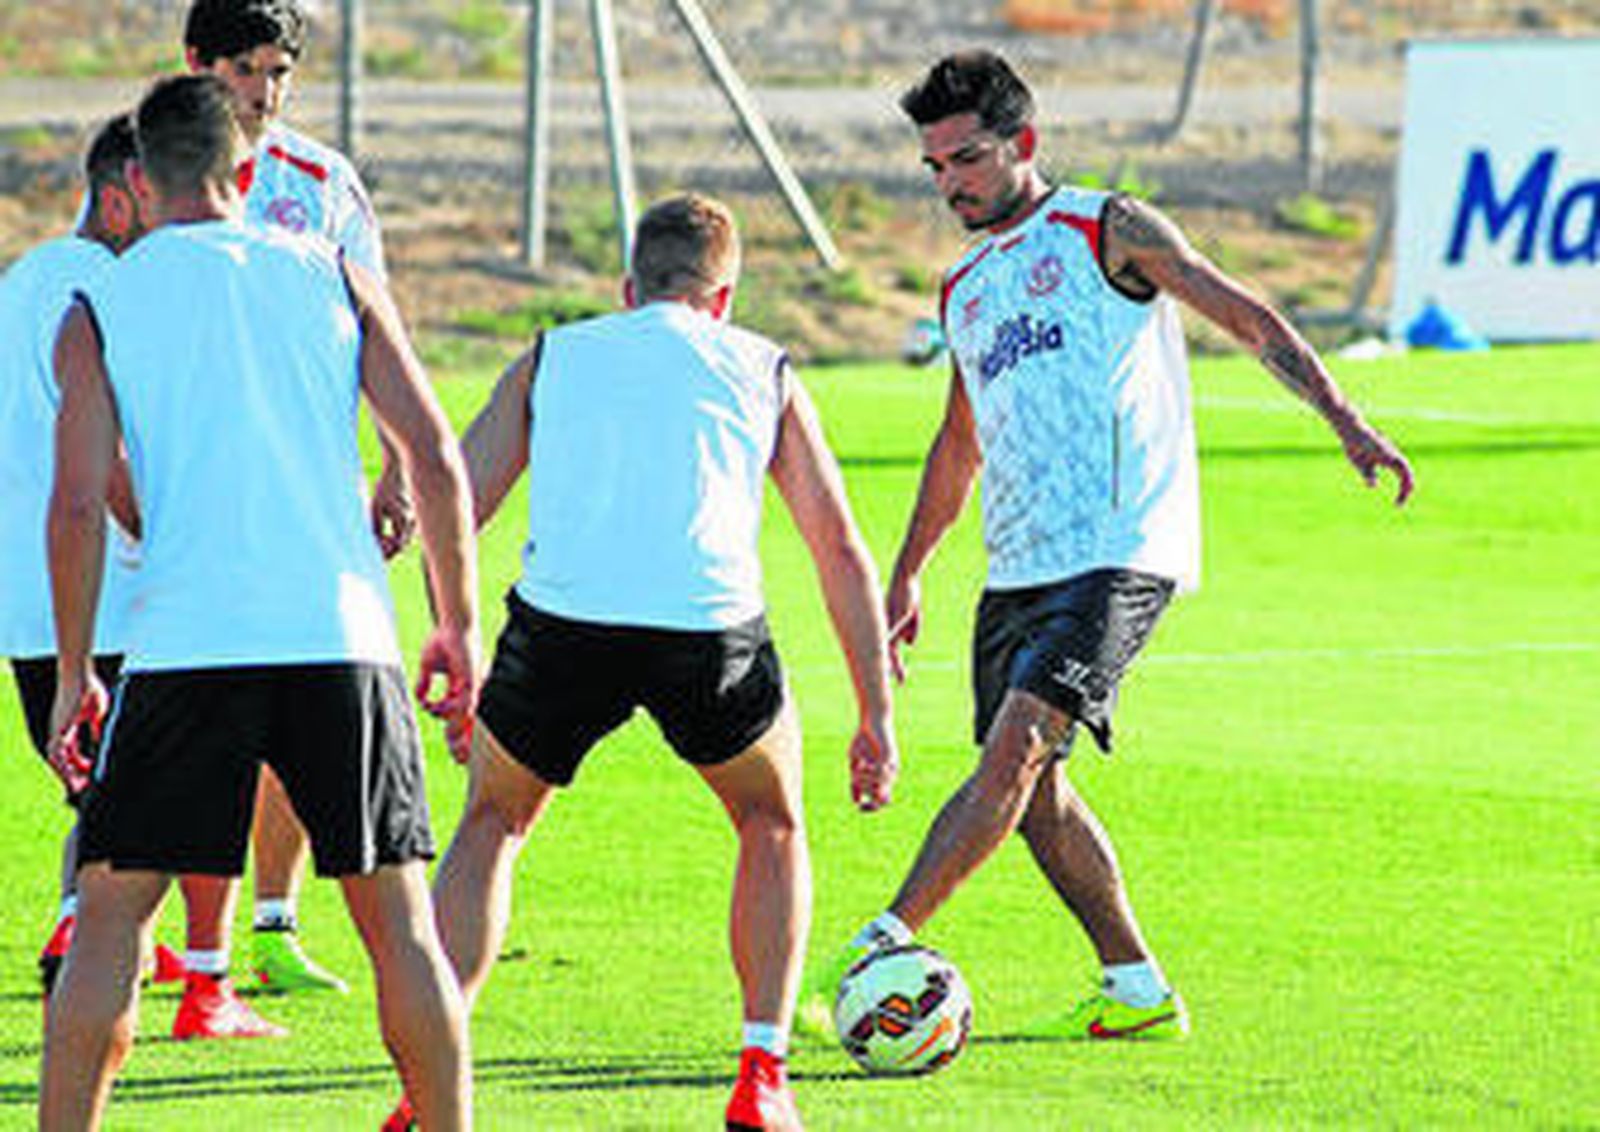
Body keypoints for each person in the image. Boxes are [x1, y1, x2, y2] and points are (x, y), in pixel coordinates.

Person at [801, 49, 1415, 1042]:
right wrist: (911, 564)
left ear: (1022, 145)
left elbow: (1241, 312)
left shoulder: (1106, 228)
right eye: (934, 167)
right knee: (1036, 796)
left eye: (963, 158)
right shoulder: (964, 289)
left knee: (1012, 755)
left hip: (1121, 546)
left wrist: (1343, 417)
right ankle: (1133, 985)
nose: (948, 182)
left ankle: (874, 946)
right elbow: (958, 442)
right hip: (1019, 562)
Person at [383, 194, 898, 1132]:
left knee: (495, 821)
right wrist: (876, 716)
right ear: (724, 295)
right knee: (770, 821)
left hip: (562, 625)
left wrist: (455, 635)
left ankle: (430, 1088)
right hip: (709, 631)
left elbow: (453, 500)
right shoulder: (763, 365)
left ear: (628, 289)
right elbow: (840, 551)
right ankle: (761, 1075)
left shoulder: (553, 353)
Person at [41, 74, 477, 1130]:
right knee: (399, 925)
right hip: (342, 638)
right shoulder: (332, 268)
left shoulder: (98, 303)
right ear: (248, 172)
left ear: (137, 183)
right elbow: (432, 457)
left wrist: (71, 676)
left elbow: (76, 506)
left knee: (108, 916)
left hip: (188, 644)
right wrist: (457, 626)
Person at [1, 113, 286, 1039]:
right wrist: (176, 540)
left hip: (33, 600)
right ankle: (202, 983)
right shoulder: (106, 292)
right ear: (124, 192)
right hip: (122, 598)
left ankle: (118, 936)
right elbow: (112, 462)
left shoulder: (23, 281)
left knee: (109, 793)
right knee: (205, 778)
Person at [182, 0, 406, 996]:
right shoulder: (146, 170)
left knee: (301, 701)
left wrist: (398, 460)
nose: (263, 92)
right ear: (196, 63)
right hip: (186, 492)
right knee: (179, 714)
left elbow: (376, 329)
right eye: (244, 69)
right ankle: (164, 936)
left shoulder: (321, 182)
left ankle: (270, 923)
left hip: (309, 492)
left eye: (278, 71)